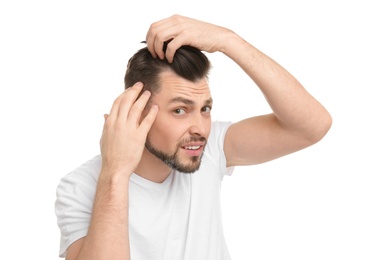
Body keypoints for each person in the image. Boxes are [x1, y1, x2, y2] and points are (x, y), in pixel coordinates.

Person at [55, 14, 332, 260]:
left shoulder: (208, 149)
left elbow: (312, 126)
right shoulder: (81, 187)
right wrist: (115, 173)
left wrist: (227, 40)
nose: (200, 127)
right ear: (135, 112)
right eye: (180, 110)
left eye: (205, 109)